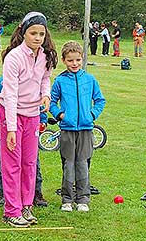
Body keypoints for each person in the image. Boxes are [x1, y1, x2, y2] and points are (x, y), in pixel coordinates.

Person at [0, 12, 57, 228]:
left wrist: (46, 95)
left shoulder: (45, 56)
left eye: (41, 33)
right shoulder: (14, 57)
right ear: (24, 33)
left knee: (29, 163)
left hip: (33, 115)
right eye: (33, 33)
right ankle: (12, 210)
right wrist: (11, 129)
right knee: (12, 164)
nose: (38, 37)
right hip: (11, 115)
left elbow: (45, 79)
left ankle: (26, 206)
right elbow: (10, 94)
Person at [50, 41, 105, 213]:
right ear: (64, 61)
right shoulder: (59, 81)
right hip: (67, 129)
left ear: (82, 60)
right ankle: (67, 199)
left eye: (78, 60)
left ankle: (83, 199)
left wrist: (92, 114)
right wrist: (59, 114)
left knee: (82, 164)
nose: (74, 64)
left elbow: (100, 100)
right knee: (68, 164)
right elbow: (51, 101)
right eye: (70, 60)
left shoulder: (89, 79)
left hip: (86, 129)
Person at [0, 76, 48, 208]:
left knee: (32, 162)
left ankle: (36, 193)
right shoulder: (5, 79)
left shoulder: (33, 78)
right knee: (6, 164)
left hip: (28, 127)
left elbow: (39, 103)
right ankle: (3, 194)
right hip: (8, 128)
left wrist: (43, 120)